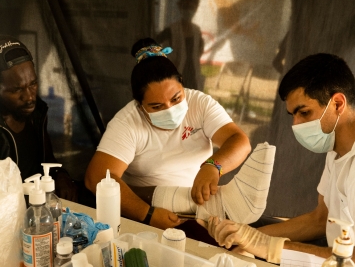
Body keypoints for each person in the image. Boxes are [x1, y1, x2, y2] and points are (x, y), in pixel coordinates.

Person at [197, 53, 355, 263]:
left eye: (304, 112)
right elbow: (319, 219)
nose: (296, 125)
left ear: (337, 103)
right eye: (293, 115)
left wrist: (264, 245)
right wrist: (244, 235)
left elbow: (351, 259)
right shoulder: (335, 150)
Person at [85, 38, 251, 236]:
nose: (170, 110)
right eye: (157, 106)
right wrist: (146, 214)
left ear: (182, 85)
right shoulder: (127, 123)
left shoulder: (200, 104)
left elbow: (239, 141)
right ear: (139, 105)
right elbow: (96, 177)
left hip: (198, 205)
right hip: (148, 205)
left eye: (176, 98)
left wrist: (213, 166)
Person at [0, 35, 77, 200]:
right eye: (16, 90)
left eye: (33, 84)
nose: (29, 97)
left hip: (38, 208)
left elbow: (47, 159)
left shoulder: (37, 113)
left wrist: (59, 174)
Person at [156, 0, 204, 91]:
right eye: (185, 6)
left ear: (195, 9)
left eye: (191, 7)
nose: (188, 10)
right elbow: (155, 43)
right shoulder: (172, 30)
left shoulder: (196, 30)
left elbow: (200, 49)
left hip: (193, 76)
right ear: (180, 7)